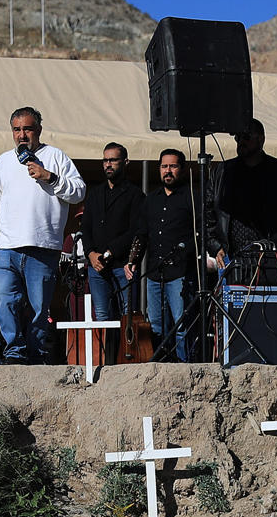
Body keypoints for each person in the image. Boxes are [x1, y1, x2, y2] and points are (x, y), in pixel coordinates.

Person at [0, 106, 87, 364]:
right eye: (17, 129)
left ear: (39, 130)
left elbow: (79, 192)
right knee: (3, 297)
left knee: (38, 308)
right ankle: (13, 351)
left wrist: (50, 177)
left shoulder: (56, 156)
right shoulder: (4, 160)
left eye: (27, 129)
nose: (22, 135)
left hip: (43, 247)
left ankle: (36, 354)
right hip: (8, 247)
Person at [135, 149, 198, 362]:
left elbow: (201, 234)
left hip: (181, 272)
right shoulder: (151, 199)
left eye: (172, 166)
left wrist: (184, 251)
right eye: (164, 166)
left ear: (182, 169)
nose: (168, 171)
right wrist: (133, 261)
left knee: (181, 325)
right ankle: (162, 366)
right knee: (156, 325)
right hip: (154, 272)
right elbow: (142, 233)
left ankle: (185, 368)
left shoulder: (192, 197)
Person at [80, 142, 139, 360]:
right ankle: (105, 362)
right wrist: (91, 253)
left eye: (113, 160)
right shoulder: (95, 193)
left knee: (126, 316)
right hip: (97, 266)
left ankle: (125, 360)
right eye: (105, 160)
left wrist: (110, 252)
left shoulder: (134, 194)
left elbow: (135, 230)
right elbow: (85, 227)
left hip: (121, 264)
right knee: (102, 316)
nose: (108, 164)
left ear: (125, 162)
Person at [219, 117, 277, 254]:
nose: (241, 142)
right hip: (232, 254)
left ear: (261, 139)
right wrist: (215, 246)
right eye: (238, 137)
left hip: (272, 253)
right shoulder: (224, 171)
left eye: (246, 137)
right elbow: (208, 210)